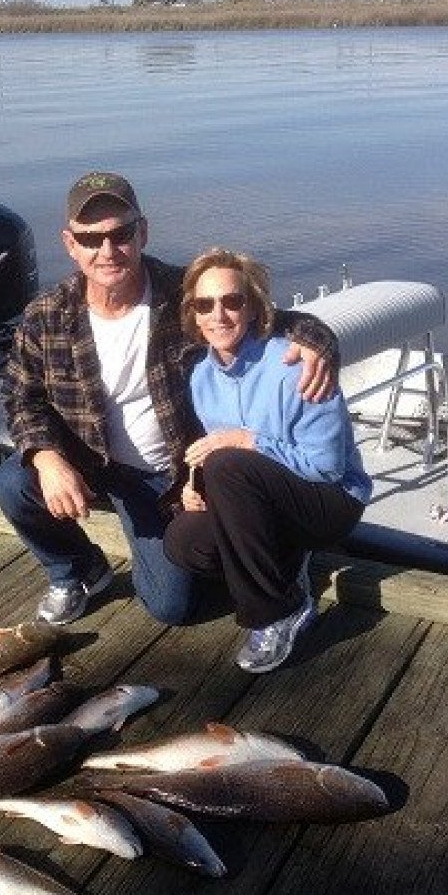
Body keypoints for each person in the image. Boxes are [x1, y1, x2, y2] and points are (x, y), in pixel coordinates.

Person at [0, 173, 340, 627]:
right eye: (91, 239)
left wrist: (318, 344)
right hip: (92, 461)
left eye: (121, 234)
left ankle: (277, 549)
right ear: (70, 244)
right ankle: (76, 571)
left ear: (143, 232)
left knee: (172, 608)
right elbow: (20, 394)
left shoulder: (185, 296)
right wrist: (47, 459)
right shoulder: (47, 315)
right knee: (13, 482)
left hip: (170, 476)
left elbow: (288, 322)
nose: (108, 250)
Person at [164, 248, 372, 673]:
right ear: (194, 315)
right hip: (264, 500)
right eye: (205, 305)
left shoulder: (297, 365)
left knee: (230, 464)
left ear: (254, 307)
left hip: (329, 500)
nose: (218, 315)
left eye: (232, 301)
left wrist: (248, 441)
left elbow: (328, 467)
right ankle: (285, 564)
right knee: (184, 540)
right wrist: (194, 485)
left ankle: (280, 611)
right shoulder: (200, 376)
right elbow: (221, 457)